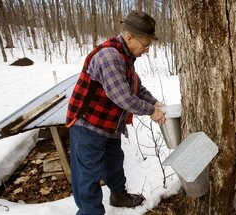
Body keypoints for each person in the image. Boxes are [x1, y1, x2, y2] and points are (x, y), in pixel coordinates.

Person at [65, 10, 165, 215]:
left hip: (108, 125)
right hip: (88, 124)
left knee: (114, 163)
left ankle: (118, 196)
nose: (146, 50)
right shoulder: (109, 56)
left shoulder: (125, 55)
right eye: (145, 45)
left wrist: (155, 103)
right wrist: (150, 111)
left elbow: (135, 88)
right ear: (130, 37)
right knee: (88, 174)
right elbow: (123, 98)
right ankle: (89, 212)